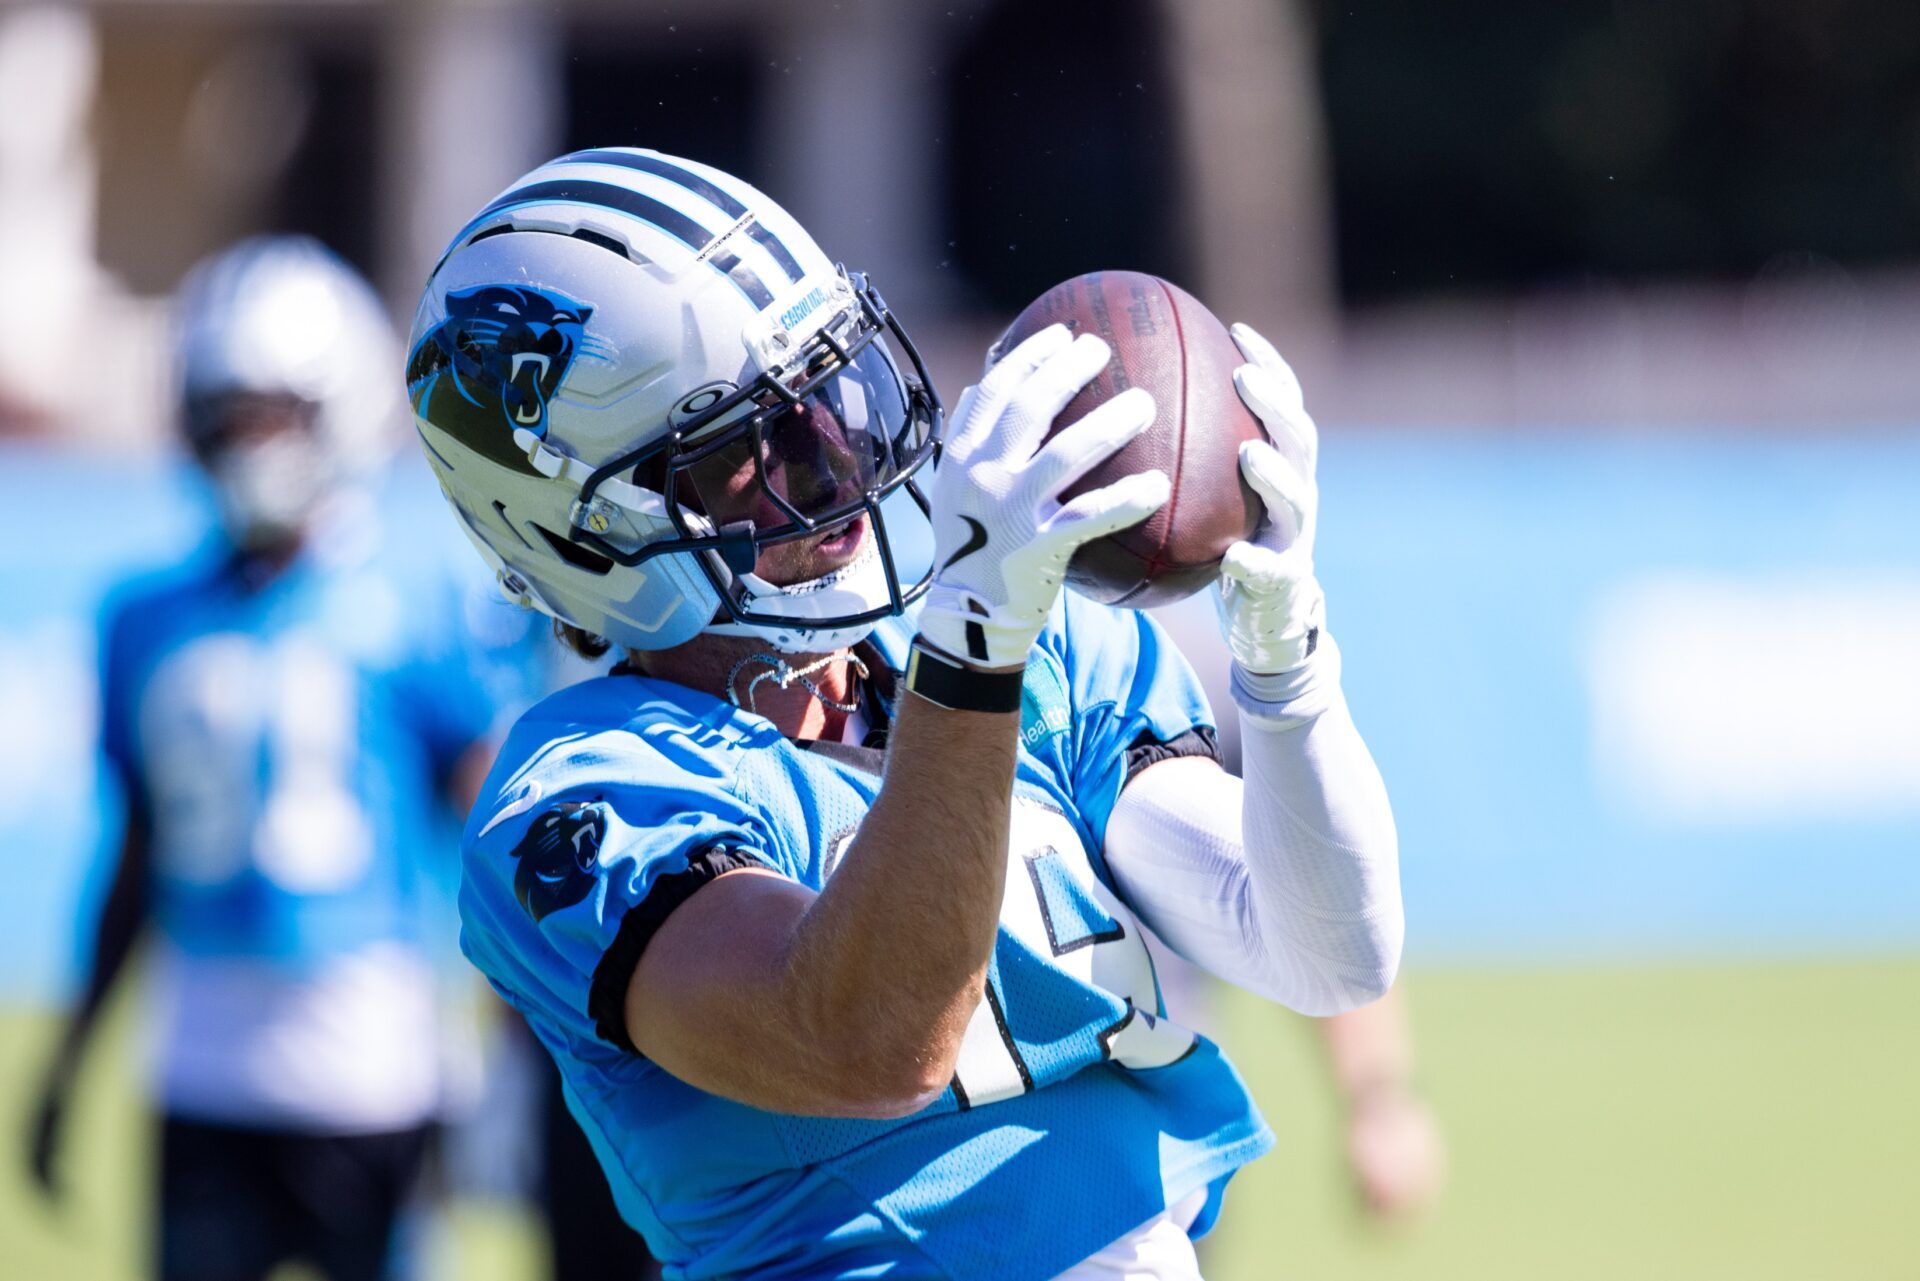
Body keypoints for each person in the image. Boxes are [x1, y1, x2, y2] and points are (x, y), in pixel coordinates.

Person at [409, 147, 1404, 1280]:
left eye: (826, 392)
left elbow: (1321, 952)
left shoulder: (1036, 649)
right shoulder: (581, 797)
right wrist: (972, 657)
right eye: (746, 441)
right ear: (584, 527)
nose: (833, 454)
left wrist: (1287, 670)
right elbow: (870, 1042)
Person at [28, 236, 514, 1281]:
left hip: (371, 1064)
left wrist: (514, 1042)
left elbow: (494, 845)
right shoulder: (142, 621)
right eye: (227, 417)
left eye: (272, 415)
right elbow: (137, 859)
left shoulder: (412, 604)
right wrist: (72, 1059)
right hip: (202, 1062)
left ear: (335, 408)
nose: (249, 445)